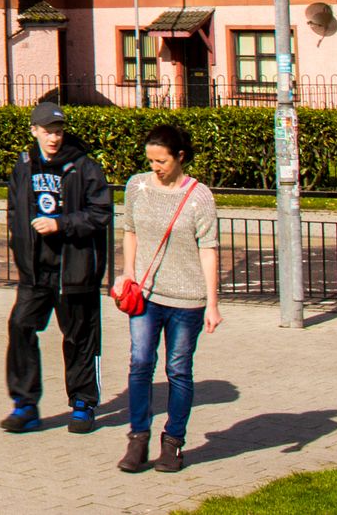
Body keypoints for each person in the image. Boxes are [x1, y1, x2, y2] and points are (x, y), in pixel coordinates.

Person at [114, 122, 221, 475]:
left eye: (161, 161)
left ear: (180, 157)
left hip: (187, 299)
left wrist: (213, 303)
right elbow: (129, 230)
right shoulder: (137, 186)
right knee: (140, 363)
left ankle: (173, 443)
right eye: (150, 160)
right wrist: (128, 273)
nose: (155, 168)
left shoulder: (199, 196)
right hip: (145, 295)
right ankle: (138, 438)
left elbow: (209, 250)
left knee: (177, 369)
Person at [1, 99, 112, 434]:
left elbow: (100, 213)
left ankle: (82, 403)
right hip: (36, 271)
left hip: (74, 269)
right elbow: (13, 210)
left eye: (59, 131)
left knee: (80, 336)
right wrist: (21, 245)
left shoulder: (84, 167)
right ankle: (25, 404)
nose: (54, 137)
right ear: (34, 130)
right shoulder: (24, 166)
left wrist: (61, 224)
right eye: (48, 131)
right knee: (20, 326)